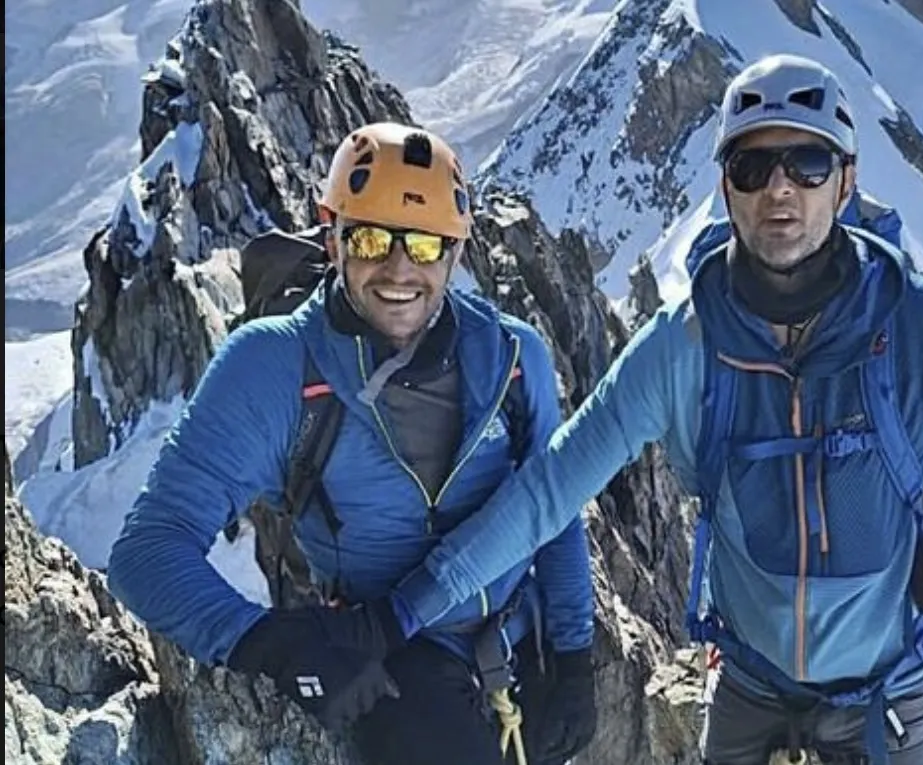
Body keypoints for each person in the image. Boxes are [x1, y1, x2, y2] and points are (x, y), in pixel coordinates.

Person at [378, 54, 923, 764]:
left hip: (886, 697)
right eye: (752, 165)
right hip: (748, 689)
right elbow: (548, 494)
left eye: (808, 163)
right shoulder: (683, 345)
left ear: (845, 182)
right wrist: (398, 615)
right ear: (727, 186)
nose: (781, 188)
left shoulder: (921, 325)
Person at [107, 122, 598, 765]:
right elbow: (145, 553)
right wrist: (282, 647)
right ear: (332, 235)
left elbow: (553, 513)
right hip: (389, 660)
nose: (399, 269)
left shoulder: (512, 356)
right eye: (371, 238)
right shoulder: (275, 366)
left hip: (519, 641)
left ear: (455, 252)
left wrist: (575, 658)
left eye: (424, 245)